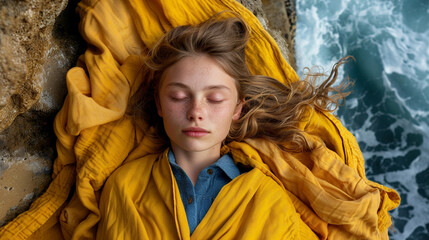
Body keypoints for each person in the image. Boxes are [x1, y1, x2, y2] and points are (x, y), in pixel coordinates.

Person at [94, 15, 392, 239]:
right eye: (179, 96)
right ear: (159, 104)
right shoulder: (125, 187)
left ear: (238, 108)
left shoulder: (266, 198)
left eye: (214, 98)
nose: (196, 112)